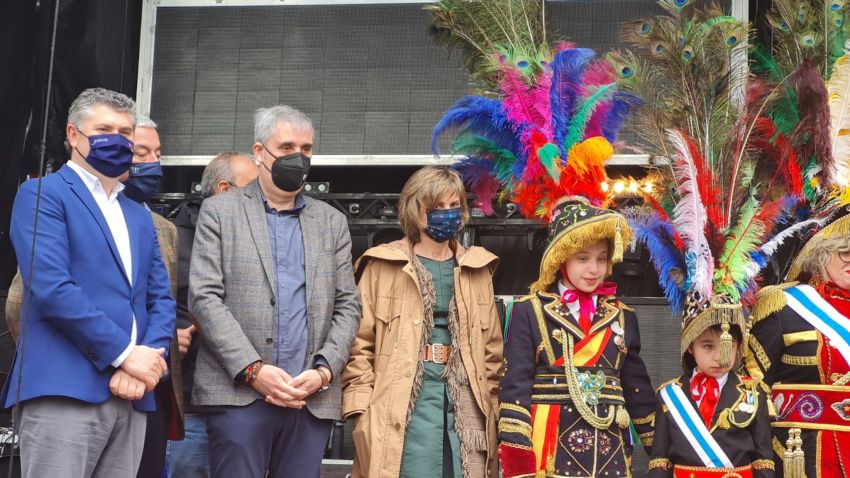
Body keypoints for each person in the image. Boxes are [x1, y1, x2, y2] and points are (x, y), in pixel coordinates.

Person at [5, 87, 175, 477]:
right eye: (105, 128)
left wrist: (146, 361)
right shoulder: (41, 195)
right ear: (74, 134)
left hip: (133, 395)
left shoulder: (137, 214)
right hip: (64, 389)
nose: (118, 139)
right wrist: (124, 354)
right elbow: (52, 287)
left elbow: (160, 300)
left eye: (126, 132)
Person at [189, 105, 360, 478]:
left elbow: (348, 305)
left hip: (309, 398)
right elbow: (204, 298)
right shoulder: (221, 211)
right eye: (286, 147)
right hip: (240, 397)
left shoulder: (331, 222)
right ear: (260, 151)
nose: (297, 157)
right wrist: (253, 370)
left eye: (306, 148)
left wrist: (324, 371)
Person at [342, 166, 503, 478]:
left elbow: (492, 351)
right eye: (437, 207)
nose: (448, 214)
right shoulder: (382, 264)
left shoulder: (478, 268)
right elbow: (359, 344)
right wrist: (362, 410)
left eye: (454, 206)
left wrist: (491, 401)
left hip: (464, 406)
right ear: (415, 212)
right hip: (401, 403)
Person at [165, 151, 258, 478]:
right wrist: (170, 334)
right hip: (193, 403)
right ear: (224, 189)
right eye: (253, 189)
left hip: (248, 400)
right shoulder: (171, 238)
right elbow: (147, 304)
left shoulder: (260, 240)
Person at [745, 198, 850, 478]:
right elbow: (753, 389)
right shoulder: (784, 304)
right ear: (821, 252)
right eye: (844, 251)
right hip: (799, 455)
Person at [125, 115, 185, 478]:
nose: (152, 163)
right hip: (90, 385)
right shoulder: (70, 209)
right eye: (141, 152)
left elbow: (165, 303)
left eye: (158, 154)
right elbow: (20, 303)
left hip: (153, 391)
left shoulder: (165, 229)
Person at [648, 324, 773, 477]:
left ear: (739, 347)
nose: (718, 357)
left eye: (728, 346)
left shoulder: (754, 391)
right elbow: (660, 462)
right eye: (708, 346)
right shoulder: (669, 394)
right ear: (690, 346)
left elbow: (763, 461)